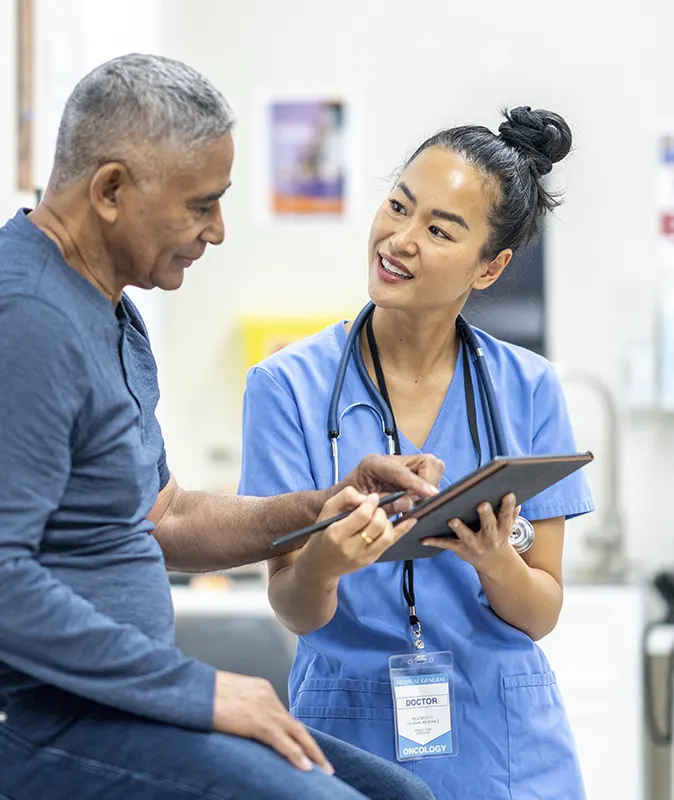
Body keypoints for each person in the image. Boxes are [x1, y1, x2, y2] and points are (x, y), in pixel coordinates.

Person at [0, 53, 444, 800]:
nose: (217, 230)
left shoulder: (108, 309)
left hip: (82, 708)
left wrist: (319, 508)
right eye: (200, 204)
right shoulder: (22, 323)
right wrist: (199, 692)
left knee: (406, 795)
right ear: (110, 189)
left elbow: (164, 516)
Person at [237, 107, 596, 798]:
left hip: (507, 745)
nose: (399, 239)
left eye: (438, 229)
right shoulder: (286, 386)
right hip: (349, 730)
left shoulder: (529, 388)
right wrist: (326, 560)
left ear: (490, 267)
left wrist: (494, 561)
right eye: (398, 205)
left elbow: (541, 610)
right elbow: (293, 605)